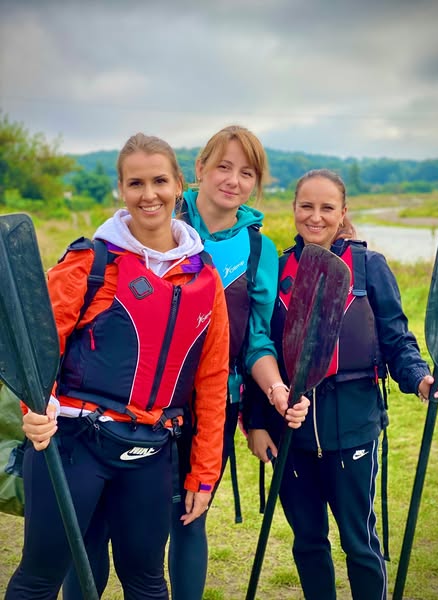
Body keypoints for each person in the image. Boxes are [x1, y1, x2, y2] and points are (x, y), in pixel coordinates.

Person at [61, 125, 310, 600]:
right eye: (222, 166)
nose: (232, 180)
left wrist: (274, 393)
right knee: (98, 523)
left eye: (246, 173)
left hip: (212, 408)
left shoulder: (259, 251)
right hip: (138, 405)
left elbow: (255, 341)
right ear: (196, 170)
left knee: (190, 517)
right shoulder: (157, 216)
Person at [6, 133, 231, 600]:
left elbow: (211, 382)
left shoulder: (204, 279)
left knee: (147, 582)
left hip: (150, 449)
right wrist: (36, 409)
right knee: (40, 579)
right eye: (136, 183)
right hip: (72, 445)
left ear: (179, 185)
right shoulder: (91, 263)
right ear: (121, 189)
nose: (149, 194)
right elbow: (35, 347)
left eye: (159, 181)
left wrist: (204, 473)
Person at [246, 168, 438, 600]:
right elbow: (260, 349)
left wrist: (420, 379)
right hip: (291, 432)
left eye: (327, 208)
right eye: (306, 206)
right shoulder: (278, 270)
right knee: (308, 541)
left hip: (354, 428)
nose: (315, 216)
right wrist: (257, 422)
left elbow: (396, 340)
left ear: (343, 212)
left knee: (359, 542)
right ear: (294, 208)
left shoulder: (369, 267)